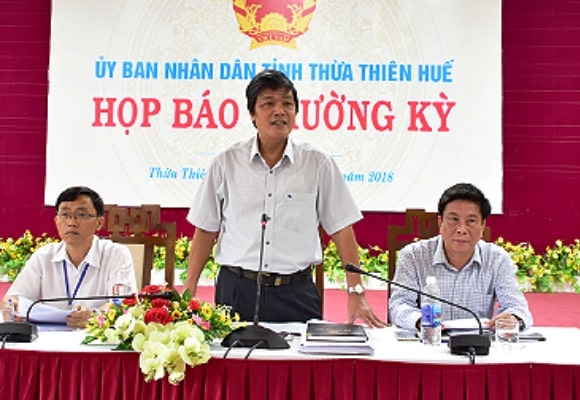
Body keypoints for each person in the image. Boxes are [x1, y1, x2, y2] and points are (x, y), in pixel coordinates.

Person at [183, 69, 385, 327]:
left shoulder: (317, 163)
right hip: (236, 291)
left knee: (300, 355)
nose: (279, 111)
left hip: (296, 293)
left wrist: (356, 292)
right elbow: (206, 228)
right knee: (232, 353)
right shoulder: (226, 163)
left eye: (287, 104)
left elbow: (342, 229)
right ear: (252, 114)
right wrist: (189, 288)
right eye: (268, 104)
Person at [388, 182, 533, 331]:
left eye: (471, 221)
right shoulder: (413, 256)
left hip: (477, 343)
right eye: (454, 219)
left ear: (482, 226)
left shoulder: (498, 259)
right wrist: (420, 321)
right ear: (440, 222)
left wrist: (514, 319)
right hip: (429, 339)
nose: (461, 229)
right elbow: (399, 305)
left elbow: (517, 307)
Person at [0, 186, 138, 329]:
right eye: (65, 215)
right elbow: (14, 298)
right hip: (47, 338)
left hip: (95, 336)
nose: (72, 222)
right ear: (56, 221)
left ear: (99, 223)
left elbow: (123, 304)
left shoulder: (116, 255)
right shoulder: (43, 256)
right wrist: (11, 307)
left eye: (81, 215)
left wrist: (94, 316)